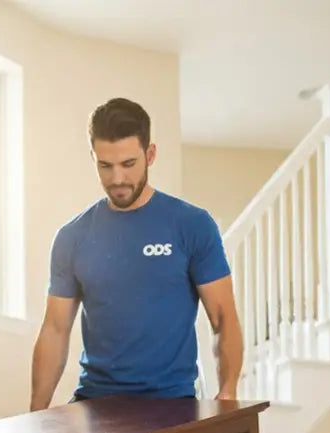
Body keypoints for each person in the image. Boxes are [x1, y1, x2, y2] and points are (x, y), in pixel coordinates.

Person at [29, 97, 244, 410]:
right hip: (95, 402)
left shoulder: (191, 225)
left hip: (172, 404)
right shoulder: (72, 237)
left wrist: (227, 394)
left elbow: (223, 317)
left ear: (150, 154)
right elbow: (55, 329)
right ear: (93, 157)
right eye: (106, 165)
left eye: (128, 164)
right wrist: (37, 413)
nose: (117, 179)